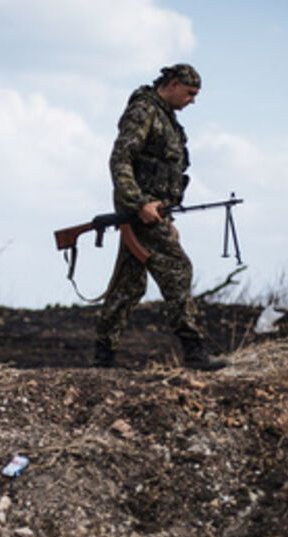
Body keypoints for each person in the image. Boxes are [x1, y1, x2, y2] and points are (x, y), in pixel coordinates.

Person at [93, 63, 226, 371]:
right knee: (178, 269)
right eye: (190, 93)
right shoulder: (144, 111)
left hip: (153, 214)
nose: (192, 101)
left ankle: (103, 356)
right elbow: (121, 159)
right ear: (174, 84)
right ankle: (194, 352)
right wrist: (139, 204)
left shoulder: (165, 118)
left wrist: (167, 218)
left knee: (128, 285)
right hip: (141, 212)